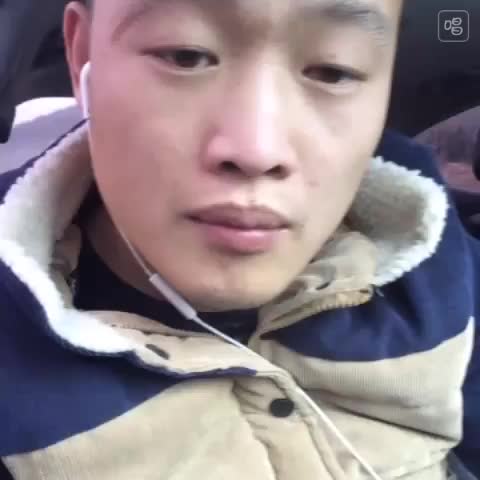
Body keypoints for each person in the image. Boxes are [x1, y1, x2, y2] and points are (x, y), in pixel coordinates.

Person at [0, 1, 478, 479]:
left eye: (333, 71)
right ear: (83, 56)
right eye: (185, 55)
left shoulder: (446, 271)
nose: (257, 150)